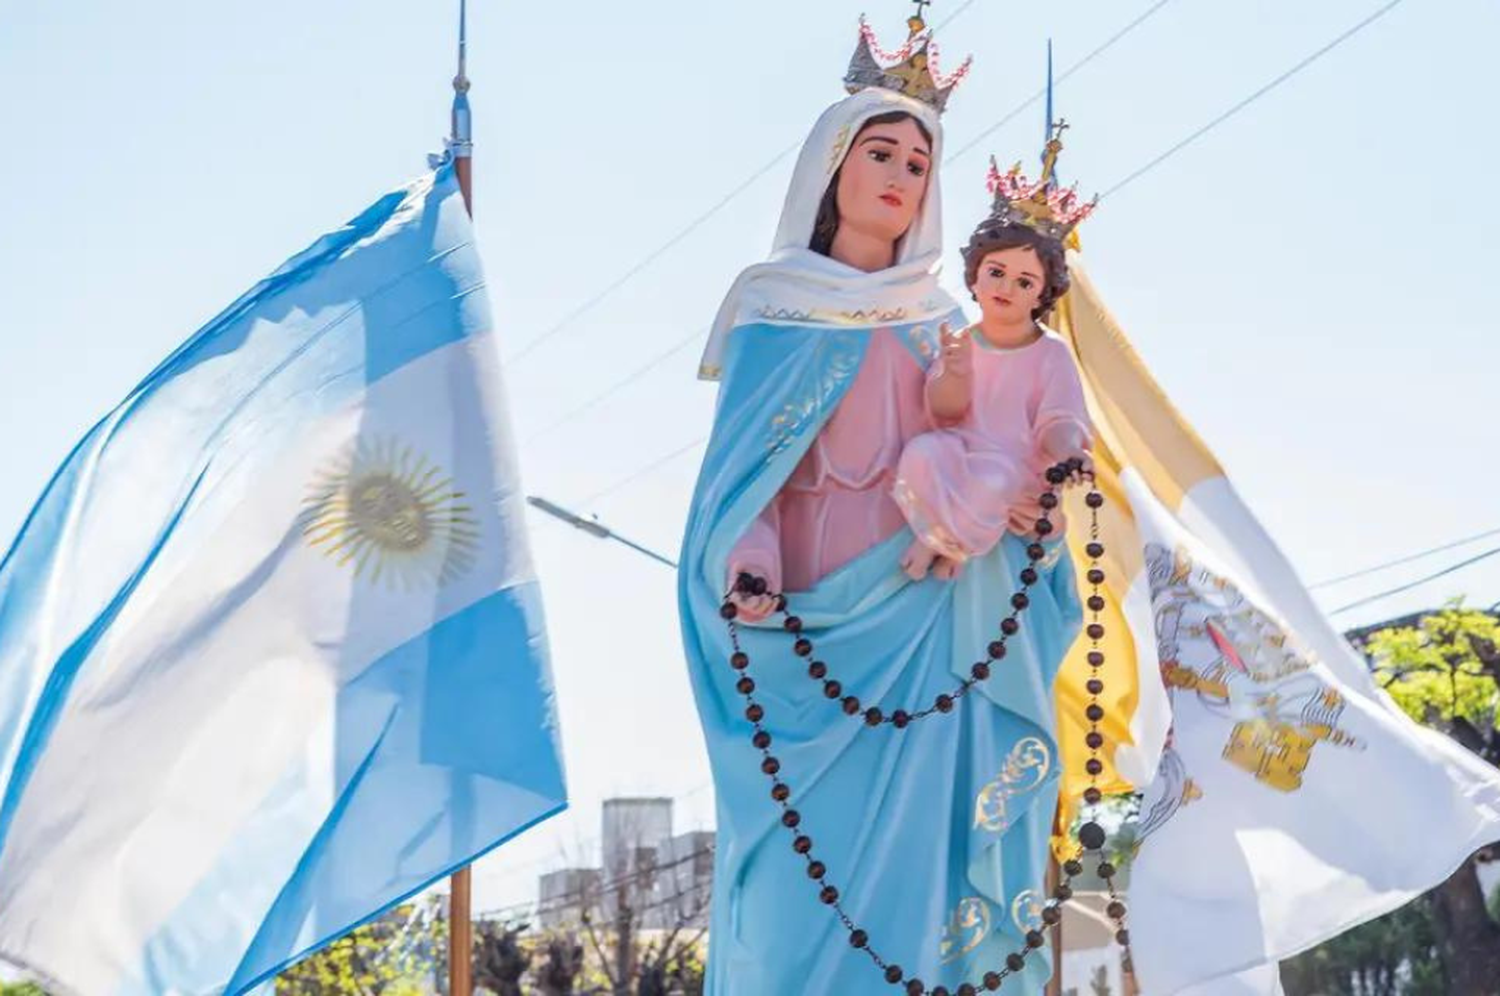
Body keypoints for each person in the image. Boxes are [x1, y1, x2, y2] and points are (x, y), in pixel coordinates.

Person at [678, 14, 1080, 993]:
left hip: (925, 635)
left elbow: (990, 450)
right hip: (807, 641)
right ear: (833, 167)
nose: (901, 175)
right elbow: (745, 480)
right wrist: (752, 565)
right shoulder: (773, 311)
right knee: (786, 911)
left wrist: (1023, 514)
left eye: (918, 161)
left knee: (920, 904)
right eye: (882, 151)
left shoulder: (941, 325)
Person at [896, 139, 1098, 584]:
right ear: (976, 275)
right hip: (960, 452)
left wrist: (1070, 452)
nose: (1006, 287)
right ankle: (943, 535)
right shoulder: (961, 340)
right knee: (921, 453)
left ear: (1042, 295)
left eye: (1024, 282)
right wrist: (956, 372)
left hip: (1017, 466)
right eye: (996, 273)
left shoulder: (1049, 353)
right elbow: (942, 413)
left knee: (996, 481)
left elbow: (1061, 419)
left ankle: (944, 544)